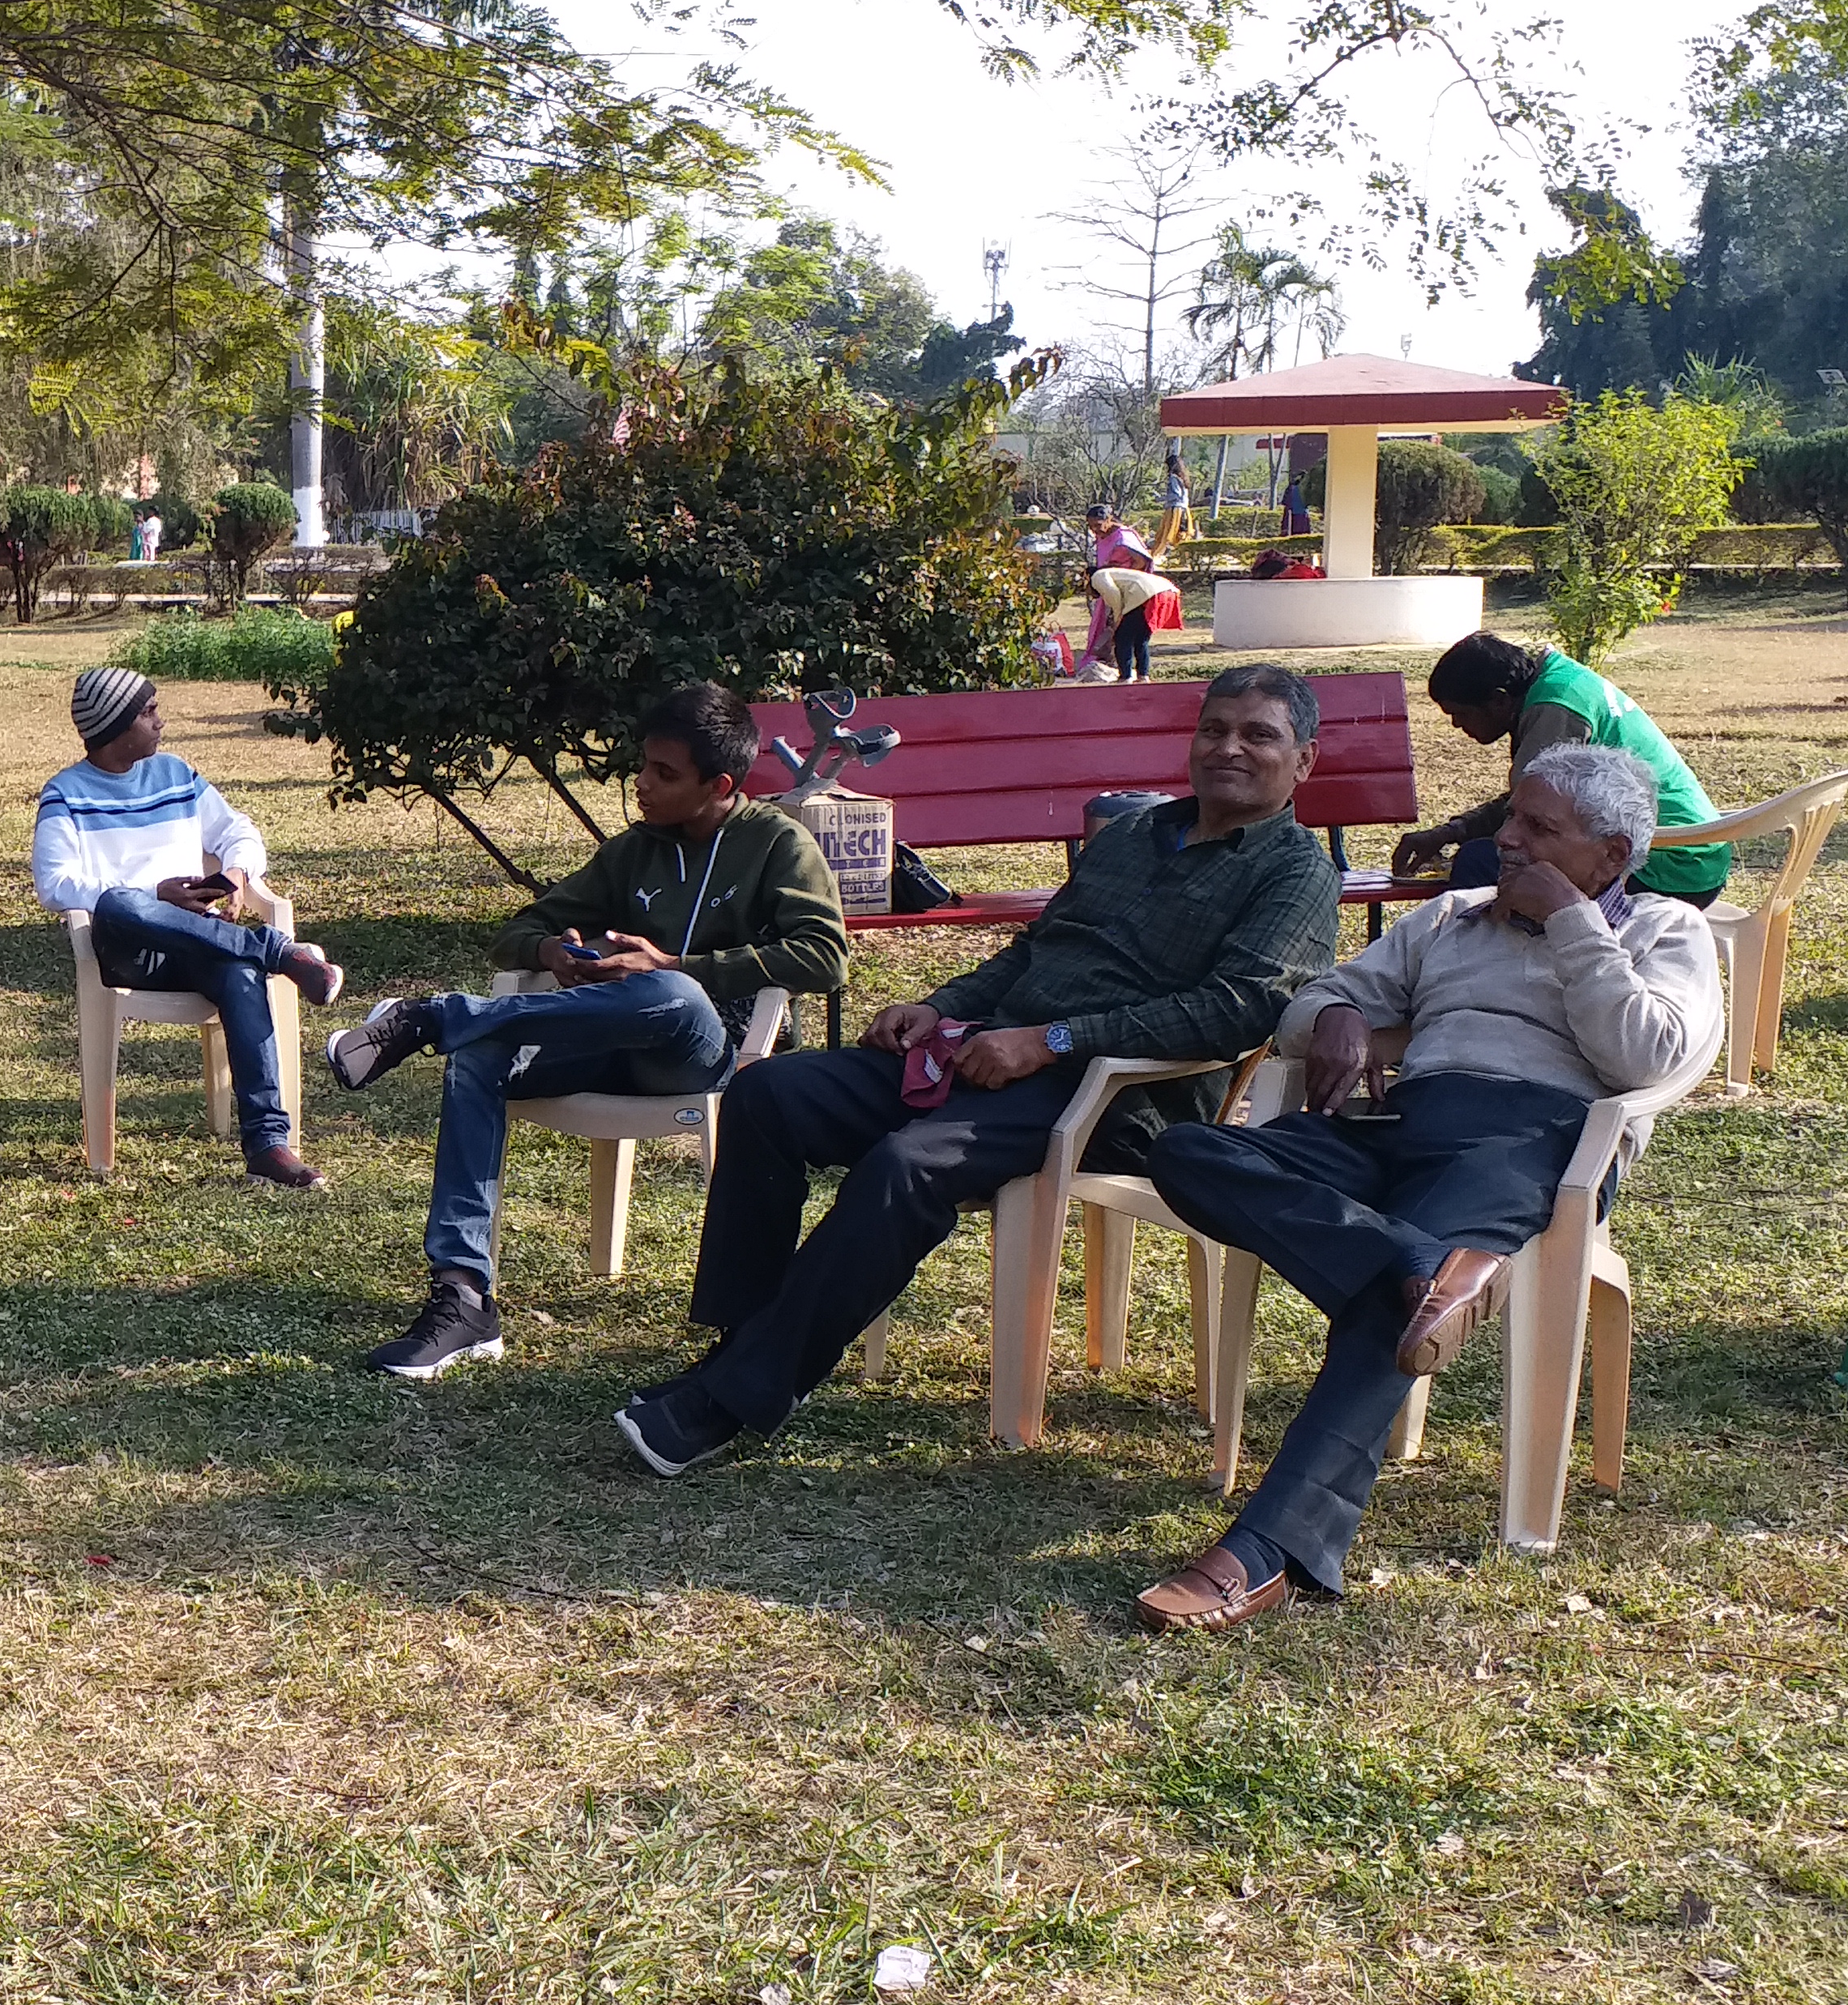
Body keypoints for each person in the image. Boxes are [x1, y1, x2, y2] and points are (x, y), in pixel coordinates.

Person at [617, 665, 1346, 1474]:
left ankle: (738, 1397)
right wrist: (939, 1004)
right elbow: (1036, 950)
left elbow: (1237, 1009)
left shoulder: (1294, 874)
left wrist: (1054, 1039)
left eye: (1259, 735)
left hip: (1116, 1101)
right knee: (767, 1094)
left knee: (906, 1164)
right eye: (1215, 729)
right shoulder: (1138, 834)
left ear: (1304, 761)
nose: (1229, 749)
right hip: (986, 1055)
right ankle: (741, 1344)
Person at [1133, 745, 1719, 1631]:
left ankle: (1263, 1554)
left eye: (1537, 828)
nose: (1507, 840)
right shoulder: (1452, 917)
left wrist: (1572, 924)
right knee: (1190, 1152)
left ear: (1610, 857)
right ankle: (1426, 1268)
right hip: (1399, 1126)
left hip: (1534, 1142)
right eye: (1509, 818)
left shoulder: (1664, 932)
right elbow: (1312, 1006)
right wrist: (1334, 1016)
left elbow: (1643, 1057)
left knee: (1392, 1314)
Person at [328, 682, 851, 1378]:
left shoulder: (774, 842)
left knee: (669, 990)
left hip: (703, 1049)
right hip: (603, 1041)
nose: (642, 783)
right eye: (643, 765)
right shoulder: (636, 850)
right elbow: (519, 930)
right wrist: (551, 952)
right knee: (478, 1059)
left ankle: (437, 1017)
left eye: (664, 774)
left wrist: (677, 963)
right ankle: (463, 1298)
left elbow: (825, 956)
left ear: (719, 784)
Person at [32, 668, 344, 1188]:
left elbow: (238, 829)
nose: (161, 721)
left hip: (198, 939)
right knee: (119, 903)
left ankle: (268, 1146)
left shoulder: (177, 774)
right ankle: (279, 952)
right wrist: (154, 893)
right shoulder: (66, 794)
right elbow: (55, 883)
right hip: (131, 951)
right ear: (115, 725)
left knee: (239, 975)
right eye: (149, 712)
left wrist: (238, 874)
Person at [1393, 631, 1726, 907]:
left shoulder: (1555, 708)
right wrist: (1450, 831)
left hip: (1670, 866)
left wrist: (1455, 835)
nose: (1455, 725)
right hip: (1697, 856)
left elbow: (1531, 812)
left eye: (1460, 713)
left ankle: (1471, 972)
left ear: (1498, 700)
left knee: (1480, 861)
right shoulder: (1559, 681)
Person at [1087, 542, 1178, 683]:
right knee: (1140, 640)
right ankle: (1143, 676)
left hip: (1145, 595)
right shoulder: (1116, 573)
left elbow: (1114, 595)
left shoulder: (1097, 576)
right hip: (1166, 591)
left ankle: (1126, 677)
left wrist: (1118, 620)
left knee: (1122, 639)